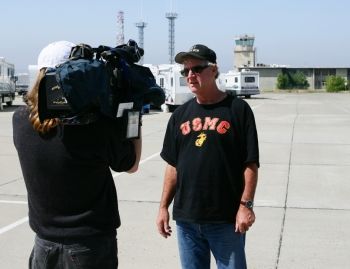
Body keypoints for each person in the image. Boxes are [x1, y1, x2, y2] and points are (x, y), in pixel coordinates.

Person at [13, 41, 142, 269]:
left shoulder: (20, 120)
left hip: (44, 244)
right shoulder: (96, 126)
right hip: (89, 246)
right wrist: (133, 116)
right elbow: (130, 164)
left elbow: (51, 116)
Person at [156, 44, 259, 269]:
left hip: (226, 219)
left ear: (213, 70)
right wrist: (163, 206)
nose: (190, 76)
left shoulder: (238, 110)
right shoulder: (180, 114)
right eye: (186, 71)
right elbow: (172, 166)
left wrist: (246, 205)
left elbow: (250, 163)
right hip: (186, 220)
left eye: (197, 69)